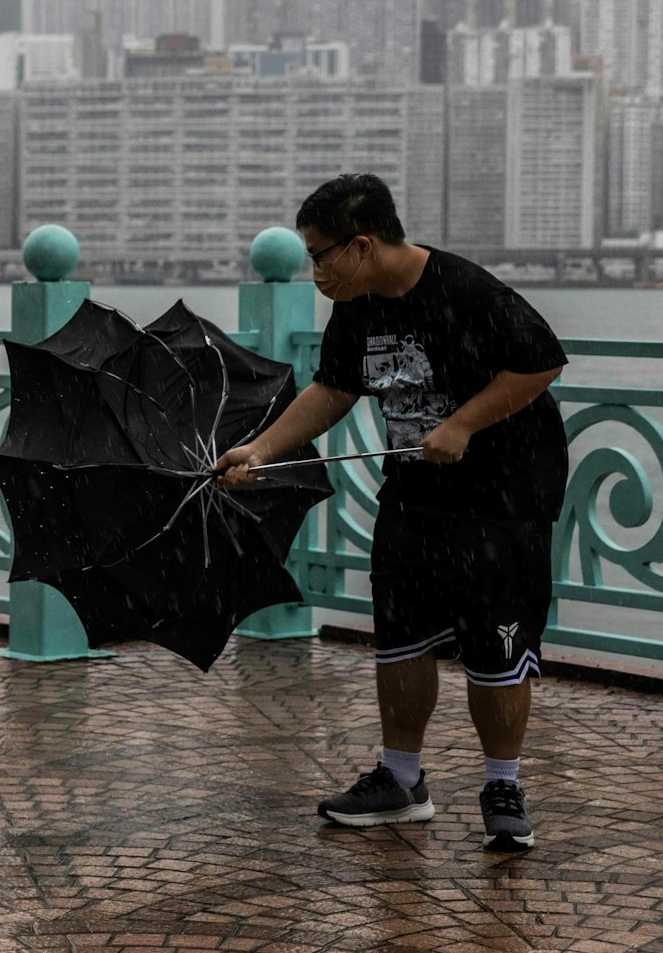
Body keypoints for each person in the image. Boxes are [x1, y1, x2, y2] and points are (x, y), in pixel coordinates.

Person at [215, 173, 568, 852]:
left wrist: (463, 424)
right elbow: (333, 388)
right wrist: (258, 449)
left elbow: (540, 362)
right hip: (414, 490)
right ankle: (402, 780)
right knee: (400, 635)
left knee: (495, 648)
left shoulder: (465, 290)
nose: (314, 270)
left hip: (504, 498)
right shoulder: (360, 303)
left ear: (362, 245)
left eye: (319, 255)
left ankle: (504, 784)